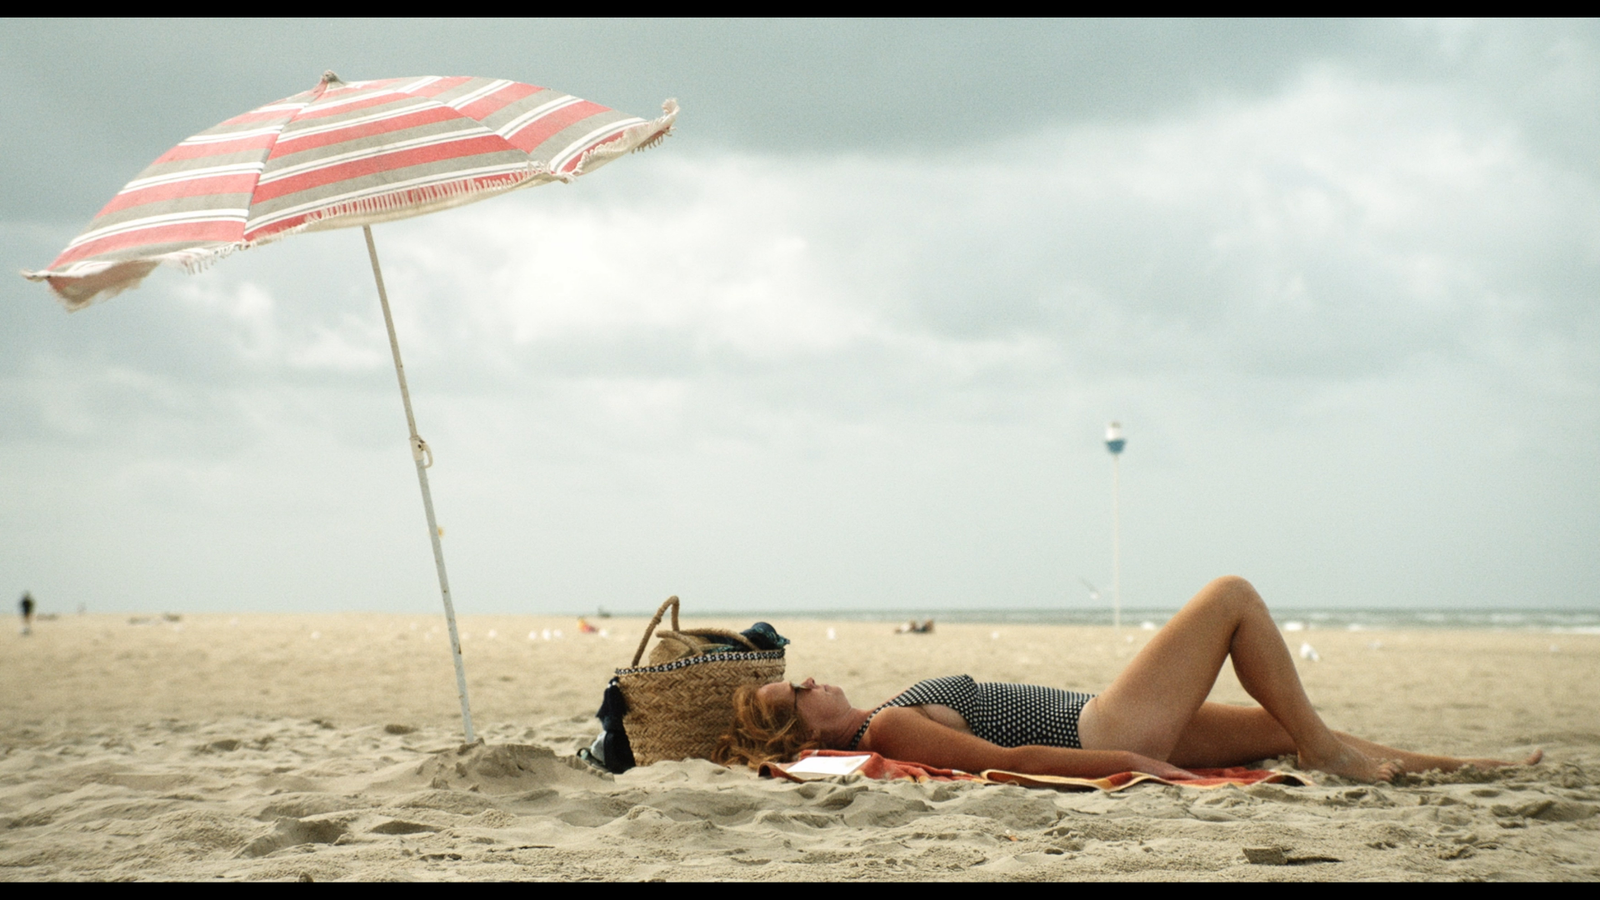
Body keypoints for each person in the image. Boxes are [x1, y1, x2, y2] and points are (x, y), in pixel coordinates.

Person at [713, 576, 1542, 783]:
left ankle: (1466, 767)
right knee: (1231, 597)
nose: (810, 680)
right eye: (797, 694)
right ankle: (1329, 753)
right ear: (805, 731)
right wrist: (1134, 764)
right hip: (1105, 729)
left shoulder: (887, 715)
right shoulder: (886, 729)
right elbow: (1016, 763)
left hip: (1108, 719)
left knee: (1287, 728)